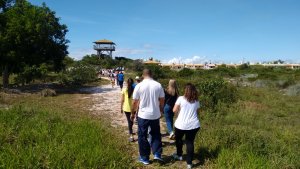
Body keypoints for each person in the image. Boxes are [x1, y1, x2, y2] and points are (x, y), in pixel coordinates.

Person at [132, 69, 165, 165]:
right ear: (152, 74)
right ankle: (157, 154)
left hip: (143, 115)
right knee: (156, 134)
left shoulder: (139, 85)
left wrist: (133, 113)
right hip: (155, 114)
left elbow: (135, 102)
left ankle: (145, 157)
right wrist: (161, 109)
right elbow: (162, 99)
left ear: (143, 75)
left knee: (142, 136)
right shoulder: (158, 85)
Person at [172, 83, 201, 169]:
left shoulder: (180, 98)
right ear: (194, 91)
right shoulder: (196, 101)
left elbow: (174, 110)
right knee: (190, 143)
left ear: (186, 91)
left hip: (181, 124)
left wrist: (180, 111)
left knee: (179, 140)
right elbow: (198, 112)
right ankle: (189, 163)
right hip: (194, 125)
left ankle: (179, 155)